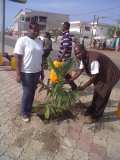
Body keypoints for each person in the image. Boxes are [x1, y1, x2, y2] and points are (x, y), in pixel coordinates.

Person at [71, 44, 120, 123]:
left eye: (79, 53)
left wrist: (83, 87)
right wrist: (70, 80)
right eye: (76, 53)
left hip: (109, 74)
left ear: (84, 50)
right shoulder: (83, 58)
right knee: (97, 92)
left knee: (102, 95)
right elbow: (79, 71)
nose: (77, 55)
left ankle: (96, 116)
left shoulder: (93, 59)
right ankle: (92, 109)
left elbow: (94, 77)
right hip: (101, 74)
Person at [14, 22, 44, 122]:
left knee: (32, 92)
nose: (36, 31)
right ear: (29, 29)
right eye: (34, 29)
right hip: (26, 72)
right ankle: (24, 112)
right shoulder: (22, 40)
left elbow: (41, 58)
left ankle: (29, 109)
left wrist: (42, 71)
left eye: (38, 30)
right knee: (27, 92)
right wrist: (18, 74)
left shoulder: (39, 41)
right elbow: (18, 57)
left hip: (37, 71)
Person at [59, 21, 77, 90]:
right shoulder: (66, 35)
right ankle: (73, 86)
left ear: (66, 27)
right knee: (65, 74)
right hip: (65, 58)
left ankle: (73, 86)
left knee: (63, 74)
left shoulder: (66, 35)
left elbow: (65, 48)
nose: (62, 27)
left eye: (63, 26)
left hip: (64, 59)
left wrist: (61, 58)